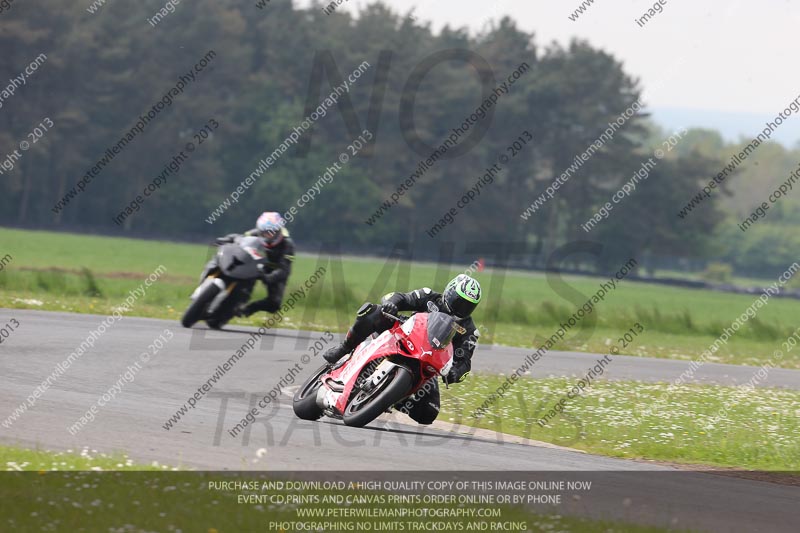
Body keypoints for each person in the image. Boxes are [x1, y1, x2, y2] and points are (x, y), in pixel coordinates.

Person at [322, 274, 482, 425]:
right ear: (449, 292)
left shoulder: (469, 330)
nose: (462, 308)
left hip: (427, 360)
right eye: (459, 301)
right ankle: (344, 348)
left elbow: (465, 362)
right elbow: (403, 297)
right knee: (373, 312)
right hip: (402, 335)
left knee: (429, 412)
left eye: (469, 306)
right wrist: (392, 304)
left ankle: (395, 398)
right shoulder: (429, 296)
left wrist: (456, 372)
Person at [212, 211, 295, 318]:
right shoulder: (255, 233)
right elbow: (239, 237)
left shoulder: (287, 244)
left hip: (273, 270)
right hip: (254, 262)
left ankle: (247, 309)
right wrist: (227, 239)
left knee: (274, 303)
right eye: (265, 232)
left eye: (272, 232)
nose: (269, 235)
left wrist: (268, 277)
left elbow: (284, 269)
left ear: (278, 231)